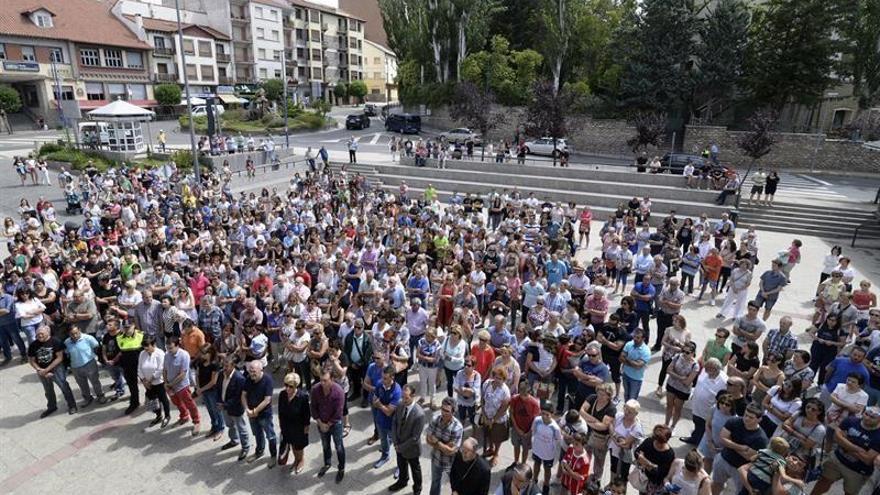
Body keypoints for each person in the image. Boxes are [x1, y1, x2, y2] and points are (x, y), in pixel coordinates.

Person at [810, 406, 880, 495]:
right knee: (822, 483)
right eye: (866, 414)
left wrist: (844, 442)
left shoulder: (878, 436)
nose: (867, 418)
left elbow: (867, 459)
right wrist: (858, 449)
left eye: (872, 417)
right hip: (837, 460)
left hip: (858, 471)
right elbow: (836, 437)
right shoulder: (851, 420)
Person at [710, 403, 769, 495]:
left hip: (740, 469)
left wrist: (730, 443)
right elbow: (722, 439)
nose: (746, 419)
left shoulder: (761, 439)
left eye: (751, 417)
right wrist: (741, 447)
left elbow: (749, 457)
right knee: (716, 483)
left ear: (759, 419)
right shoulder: (734, 421)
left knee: (739, 492)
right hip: (723, 459)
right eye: (746, 415)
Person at [28, 325, 77, 417]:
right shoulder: (33, 345)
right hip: (41, 370)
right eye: (37, 335)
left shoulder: (56, 342)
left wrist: (46, 370)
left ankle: (72, 406)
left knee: (64, 387)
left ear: (48, 333)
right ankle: (51, 407)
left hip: (56, 368)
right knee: (48, 390)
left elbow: (59, 358)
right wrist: (39, 369)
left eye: (41, 334)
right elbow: (32, 360)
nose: (39, 336)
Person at [390, 384, 426, 494]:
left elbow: (415, 437)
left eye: (406, 397)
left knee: (415, 469)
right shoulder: (400, 405)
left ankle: (417, 488)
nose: (404, 400)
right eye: (402, 397)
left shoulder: (419, 414)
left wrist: (400, 447)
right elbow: (395, 422)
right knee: (401, 465)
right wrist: (395, 442)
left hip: (411, 449)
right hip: (399, 445)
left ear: (413, 396)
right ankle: (402, 481)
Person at [311, 370, 346, 483]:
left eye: (325, 380)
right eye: (321, 380)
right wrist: (320, 423)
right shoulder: (315, 389)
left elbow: (338, 412)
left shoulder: (339, 392)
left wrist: (328, 424)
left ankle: (341, 468)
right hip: (321, 422)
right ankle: (327, 463)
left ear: (332, 380)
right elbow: (313, 408)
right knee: (325, 445)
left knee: (339, 446)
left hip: (335, 424)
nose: (322, 383)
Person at [162, 336, 200, 435]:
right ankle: (184, 416)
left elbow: (183, 374)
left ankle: (196, 421)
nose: (169, 350)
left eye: (171, 348)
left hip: (182, 386)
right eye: (167, 348)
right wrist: (166, 383)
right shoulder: (167, 355)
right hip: (170, 386)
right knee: (177, 403)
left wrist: (170, 384)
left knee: (190, 404)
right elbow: (165, 370)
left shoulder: (184, 355)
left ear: (177, 346)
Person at [427, 396, 464, 495]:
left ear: (453, 412)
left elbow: (451, 451)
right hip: (436, 459)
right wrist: (445, 445)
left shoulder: (458, 427)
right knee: (435, 482)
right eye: (442, 409)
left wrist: (437, 442)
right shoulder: (435, 419)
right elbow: (428, 439)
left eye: (447, 411)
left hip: (451, 463)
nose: (443, 412)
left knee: (455, 485)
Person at [64, 326, 107, 407]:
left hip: (89, 363)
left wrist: (97, 359)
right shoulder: (67, 342)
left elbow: (96, 347)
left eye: (76, 333)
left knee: (95, 381)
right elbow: (67, 354)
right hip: (75, 366)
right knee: (82, 384)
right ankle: (88, 398)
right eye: (72, 334)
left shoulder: (88, 338)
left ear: (79, 330)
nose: (75, 336)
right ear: (69, 334)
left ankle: (100, 395)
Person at [218, 355, 250, 461]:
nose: (224, 368)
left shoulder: (239, 379)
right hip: (224, 407)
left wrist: (225, 405)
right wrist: (219, 402)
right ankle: (234, 440)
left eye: (226, 366)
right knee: (230, 425)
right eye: (223, 365)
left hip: (235, 408)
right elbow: (218, 388)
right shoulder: (221, 374)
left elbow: (238, 397)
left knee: (241, 428)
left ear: (233, 366)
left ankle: (245, 447)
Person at [277, 372, 310, 474]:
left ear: (296, 386)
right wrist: (281, 425)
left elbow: (306, 414)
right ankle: (296, 460)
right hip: (286, 426)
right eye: (286, 385)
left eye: (290, 386)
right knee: (291, 444)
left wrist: (306, 428)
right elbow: (280, 411)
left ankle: (300, 460)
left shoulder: (303, 397)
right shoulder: (282, 395)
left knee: (298, 446)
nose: (287, 388)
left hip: (298, 427)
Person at [530, 401, 564, 494]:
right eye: (543, 413)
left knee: (547, 469)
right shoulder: (537, 420)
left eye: (547, 414)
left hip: (548, 453)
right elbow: (533, 430)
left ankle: (546, 485)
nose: (544, 416)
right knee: (536, 464)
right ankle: (534, 480)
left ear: (552, 415)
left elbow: (558, 439)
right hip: (537, 449)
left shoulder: (555, 428)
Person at [372, 365, 402, 468]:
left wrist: (379, 404)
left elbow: (389, 412)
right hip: (380, 421)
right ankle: (385, 456)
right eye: (382, 377)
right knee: (383, 440)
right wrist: (382, 407)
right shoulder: (379, 384)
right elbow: (374, 400)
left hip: (392, 425)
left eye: (385, 378)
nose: (382, 380)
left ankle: (400, 466)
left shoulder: (397, 391)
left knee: (398, 446)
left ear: (392, 377)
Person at [138, 335, 170, 429]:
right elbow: (139, 368)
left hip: (158, 382)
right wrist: (144, 380)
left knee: (163, 399)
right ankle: (158, 415)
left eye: (147, 346)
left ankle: (167, 415)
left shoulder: (160, 353)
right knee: (153, 400)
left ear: (154, 344)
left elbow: (160, 368)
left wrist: (151, 379)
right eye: (144, 346)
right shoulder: (142, 353)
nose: (145, 348)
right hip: (147, 383)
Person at [621, 328, 651, 400]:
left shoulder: (646, 351)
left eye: (638, 337)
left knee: (632, 399)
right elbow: (621, 358)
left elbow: (638, 366)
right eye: (634, 336)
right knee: (626, 395)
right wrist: (633, 363)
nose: (635, 339)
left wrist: (627, 359)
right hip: (625, 374)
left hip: (636, 379)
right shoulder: (629, 344)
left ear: (643, 338)